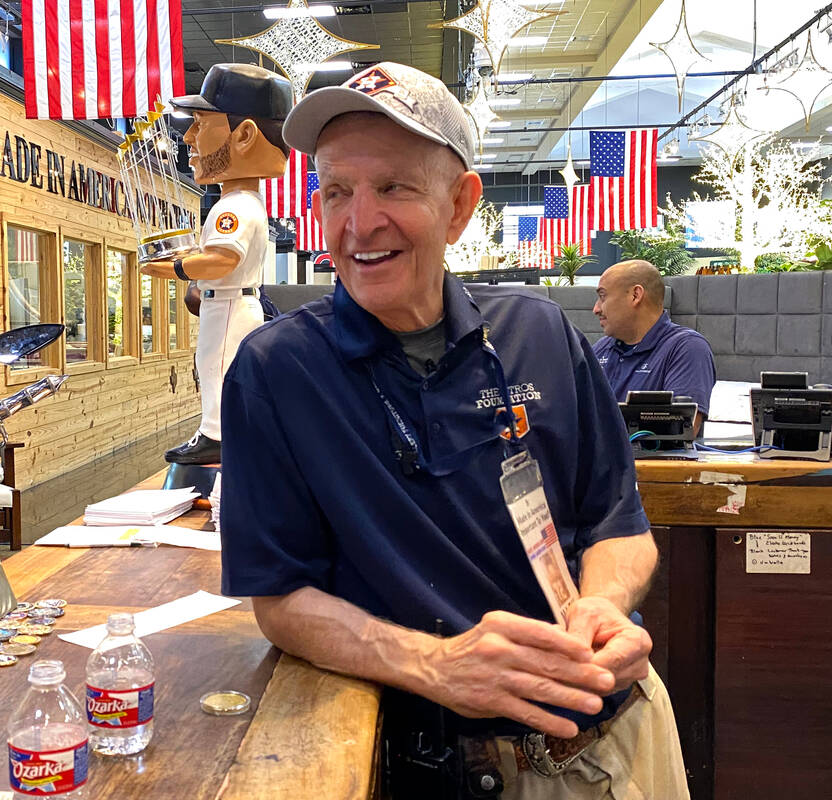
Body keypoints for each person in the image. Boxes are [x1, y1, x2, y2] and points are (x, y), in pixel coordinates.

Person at [219, 62, 689, 799]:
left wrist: (603, 605)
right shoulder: (277, 373)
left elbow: (617, 525)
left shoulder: (537, 332)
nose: (359, 223)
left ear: (460, 205)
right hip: (444, 768)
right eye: (336, 191)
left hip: (620, 742)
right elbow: (280, 598)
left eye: (395, 188)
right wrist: (433, 662)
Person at [140, 64, 292, 466]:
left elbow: (223, 259)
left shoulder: (238, 205)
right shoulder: (235, 202)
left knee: (219, 366)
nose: (188, 136)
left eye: (200, 123)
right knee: (210, 365)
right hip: (220, 301)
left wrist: (173, 268)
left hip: (229, 304)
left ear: (243, 136)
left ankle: (218, 435)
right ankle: (214, 431)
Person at [592, 259, 716, 427]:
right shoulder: (601, 349)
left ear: (635, 295)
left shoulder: (686, 348)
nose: (596, 309)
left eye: (602, 297)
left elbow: (680, 431)